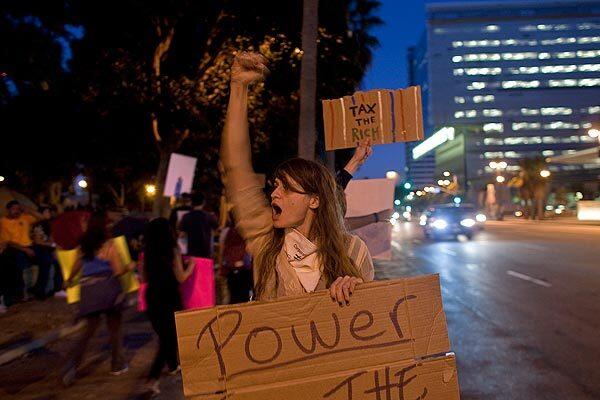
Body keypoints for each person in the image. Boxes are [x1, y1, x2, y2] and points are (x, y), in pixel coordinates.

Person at [221, 52, 374, 303]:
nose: (274, 193)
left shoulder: (353, 251)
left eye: (287, 189)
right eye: (275, 186)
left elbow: (370, 321)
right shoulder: (265, 240)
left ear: (314, 200)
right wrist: (238, 87)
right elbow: (236, 167)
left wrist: (358, 290)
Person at [61, 213, 130, 387]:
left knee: (87, 332)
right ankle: (117, 365)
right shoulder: (109, 244)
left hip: (89, 292)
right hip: (108, 290)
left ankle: (71, 366)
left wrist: (69, 280)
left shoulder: (83, 245)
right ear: (103, 227)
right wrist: (130, 266)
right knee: (114, 329)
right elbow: (118, 270)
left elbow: (76, 265)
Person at [142, 218, 194, 395]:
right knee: (168, 338)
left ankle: (172, 365)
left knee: (165, 334)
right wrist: (191, 266)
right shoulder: (173, 250)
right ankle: (152, 379)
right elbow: (181, 277)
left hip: (153, 296)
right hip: (170, 296)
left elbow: (143, 278)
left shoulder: (147, 251)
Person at [0, 200, 51, 303]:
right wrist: (25, 250)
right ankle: (20, 293)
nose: (16, 211)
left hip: (30, 246)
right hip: (15, 248)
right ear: (8, 210)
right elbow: (8, 242)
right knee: (18, 262)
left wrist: (27, 209)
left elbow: (42, 217)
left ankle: (38, 290)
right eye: (14, 209)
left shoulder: (25, 218)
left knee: (47, 259)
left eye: (18, 209)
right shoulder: (3, 221)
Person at [219, 212, 253, 304]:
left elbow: (222, 250)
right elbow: (250, 249)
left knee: (232, 296)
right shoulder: (247, 231)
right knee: (244, 297)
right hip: (244, 268)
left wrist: (222, 267)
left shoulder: (225, 231)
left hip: (230, 268)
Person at [178, 192, 218, 258]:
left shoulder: (186, 216)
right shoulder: (209, 216)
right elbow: (217, 230)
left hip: (191, 253)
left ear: (192, 202)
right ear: (203, 202)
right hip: (205, 253)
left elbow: (182, 234)